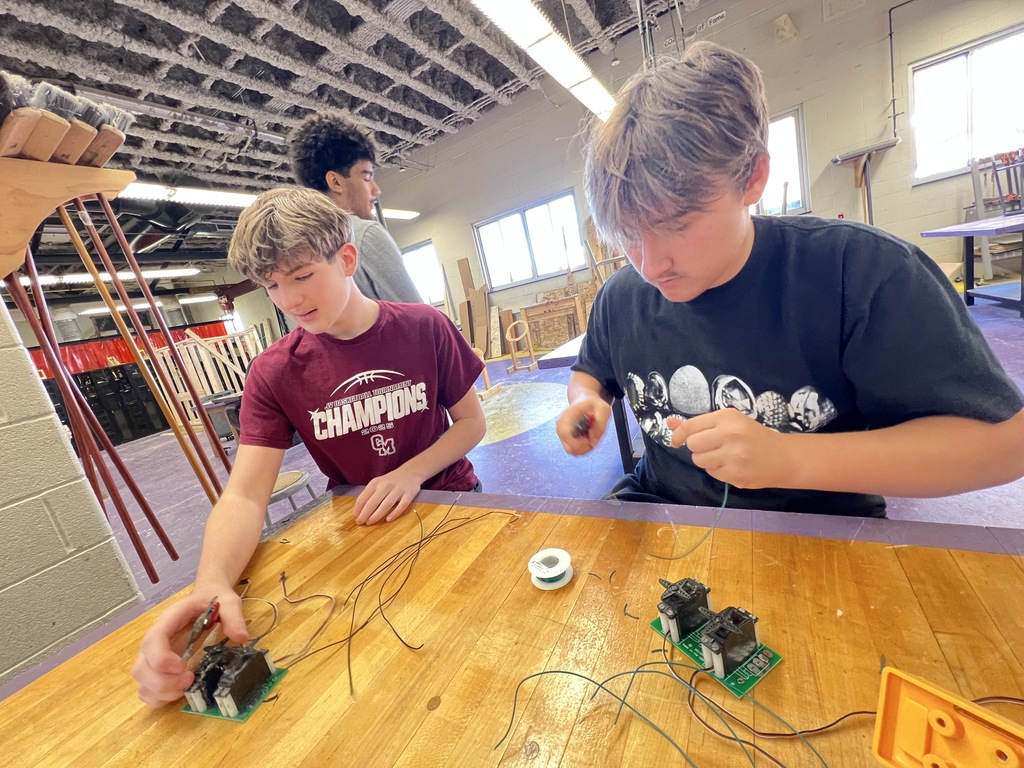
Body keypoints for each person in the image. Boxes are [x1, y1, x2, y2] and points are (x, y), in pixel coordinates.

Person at [556, 41, 1024, 517]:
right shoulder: (622, 298)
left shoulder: (859, 273)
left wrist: (789, 459)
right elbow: (591, 374)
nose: (651, 266)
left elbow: (1007, 444)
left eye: (678, 225)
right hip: (663, 509)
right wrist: (585, 400)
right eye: (629, 234)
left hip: (813, 528)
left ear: (752, 177)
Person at [133, 188, 486, 706]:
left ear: (347, 259)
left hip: (452, 501)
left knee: (477, 633)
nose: (290, 300)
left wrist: (410, 472)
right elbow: (245, 496)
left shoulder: (423, 326)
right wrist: (211, 582)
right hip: (364, 523)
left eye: (302, 276)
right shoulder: (274, 371)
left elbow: (471, 423)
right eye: (272, 285)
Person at [290, 113, 423, 303]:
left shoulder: (301, 248)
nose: (376, 190)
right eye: (367, 177)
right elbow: (419, 317)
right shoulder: (364, 236)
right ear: (336, 182)